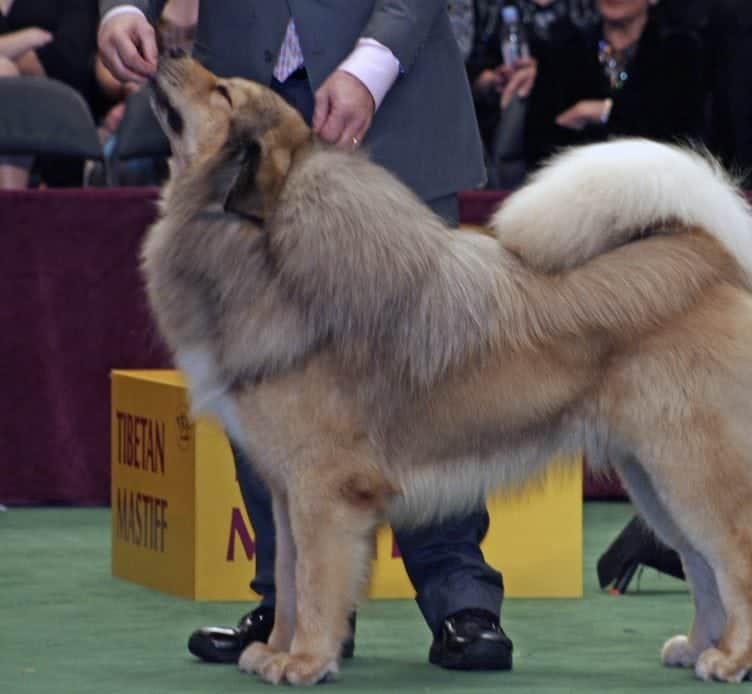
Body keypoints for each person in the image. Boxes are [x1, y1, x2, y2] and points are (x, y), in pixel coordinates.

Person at [97, 0, 513, 671]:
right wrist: (122, 8)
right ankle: (293, 608)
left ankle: (459, 596)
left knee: (422, 375)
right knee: (256, 374)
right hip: (242, 108)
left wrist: (370, 66)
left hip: (389, 99)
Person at [521, 0, 707, 170]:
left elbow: (680, 137)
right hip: (578, 183)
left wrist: (603, 112)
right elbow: (537, 144)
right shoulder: (564, 50)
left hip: (655, 183)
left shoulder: (680, 52)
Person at [0, 0, 103, 188]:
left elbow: (68, 61)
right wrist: (27, 38)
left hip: (53, 123)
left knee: (5, 78)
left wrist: (7, 51)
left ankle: (11, 204)